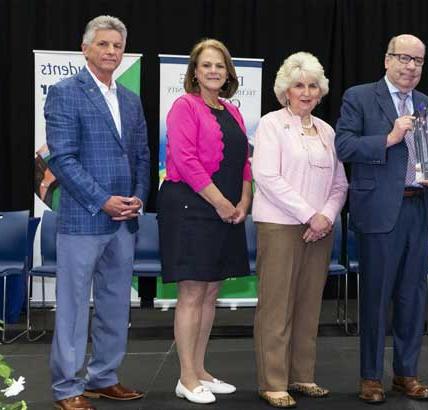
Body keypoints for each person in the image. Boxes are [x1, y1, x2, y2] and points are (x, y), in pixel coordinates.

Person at [335, 34, 428, 404]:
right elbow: (345, 145)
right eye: (403, 58)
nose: (410, 66)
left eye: (417, 60)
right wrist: (389, 136)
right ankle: (370, 376)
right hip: (380, 211)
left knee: (413, 296)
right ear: (386, 60)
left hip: (420, 208)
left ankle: (406, 373)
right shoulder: (360, 97)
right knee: (376, 297)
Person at [45, 15, 149, 410]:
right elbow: (64, 159)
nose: (111, 52)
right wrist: (103, 199)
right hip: (83, 218)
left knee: (114, 304)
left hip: (125, 221)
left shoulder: (130, 98)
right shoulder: (65, 92)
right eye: (103, 44)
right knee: (73, 309)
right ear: (85, 48)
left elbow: (141, 154)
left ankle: (104, 377)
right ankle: (67, 388)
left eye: (117, 46)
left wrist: (138, 197)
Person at [251, 51, 348, 408]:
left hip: (320, 230)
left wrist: (326, 216)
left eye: (312, 86)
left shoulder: (327, 130)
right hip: (280, 226)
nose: (305, 92)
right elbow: (267, 176)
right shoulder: (271, 124)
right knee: (276, 307)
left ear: (320, 92)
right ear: (285, 91)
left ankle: (302, 376)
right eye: (298, 86)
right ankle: (273, 381)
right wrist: (310, 214)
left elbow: (340, 184)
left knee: (308, 306)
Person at [158, 38, 252, 404]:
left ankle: (200, 370)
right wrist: (221, 203)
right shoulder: (184, 107)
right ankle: (185, 377)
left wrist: (243, 201)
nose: (214, 71)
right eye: (206, 65)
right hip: (190, 208)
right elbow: (184, 161)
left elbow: (245, 161)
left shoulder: (233, 111)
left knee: (212, 291)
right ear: (194, 72)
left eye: (220, 65)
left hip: (226, 210)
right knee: (192, 292)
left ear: (228, 72)